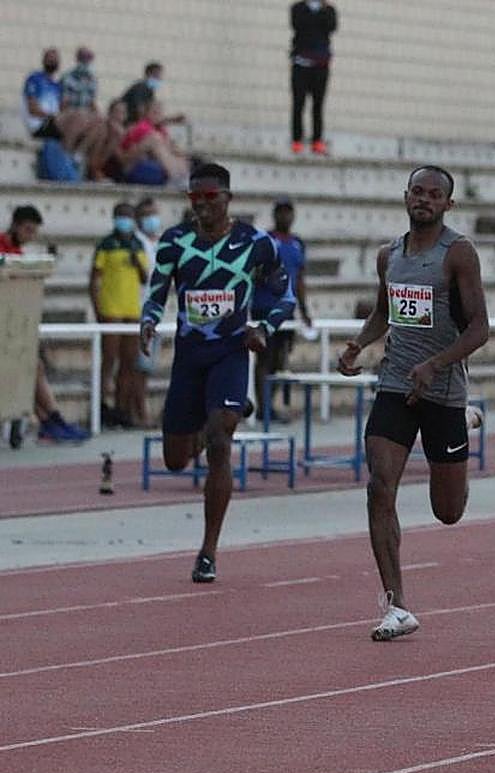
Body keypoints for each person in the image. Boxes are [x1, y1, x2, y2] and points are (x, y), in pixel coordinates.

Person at [337, 166, 489, 640]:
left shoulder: (458, 253)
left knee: (448, 511)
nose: (424, 200)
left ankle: (463, 419)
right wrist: (358, 345)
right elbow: (385, 312)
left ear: (448, 204)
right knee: (380, 486)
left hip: (442, 391)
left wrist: (437, 364)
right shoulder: (390, 256)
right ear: (405, 197)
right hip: (395, 387)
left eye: (434, 194)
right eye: (417, 192)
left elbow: (480, 328)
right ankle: (396, 605)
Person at [140, 163, 295, 583]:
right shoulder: (175, 241)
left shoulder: (255, 243)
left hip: (231, 353)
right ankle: (228, 410)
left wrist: (264, 327)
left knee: (220, 444)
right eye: (195, 199)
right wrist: (149, 320)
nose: (203, 207)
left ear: (227, 198)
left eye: (211, 198)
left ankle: (207, 551)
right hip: (190, 357)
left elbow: (286, 296)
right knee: (174, 460)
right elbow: (156, 291)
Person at [1, 206, 89, 442]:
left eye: (33, 232)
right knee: (31, 367)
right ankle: (50, 418)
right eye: (28, 230)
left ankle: (50, 419)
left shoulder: (17, 251)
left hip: (12, 323)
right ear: (16, 225)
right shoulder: (3, 248)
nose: (30, 236)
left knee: (33, 366)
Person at [90, 202, 150, 429]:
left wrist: (136, 260)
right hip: (111, 308)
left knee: (129, 362)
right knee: (108, 360)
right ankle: (100, 406)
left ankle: (121, 409)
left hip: (132, 309)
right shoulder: (106, 244)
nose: (124, 220)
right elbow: (94, 278)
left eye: (128, 216)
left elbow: (145, 278)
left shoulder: (138, 245)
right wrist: (97, 309)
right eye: (120, 216)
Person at [254, 198, 313, 422]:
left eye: (289, 212)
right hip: (265, 307)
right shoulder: (265, 239)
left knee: (281, 359)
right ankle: (264, 408)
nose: (285, 217)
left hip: (288, 309)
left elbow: (300, 278)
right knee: (265, 358)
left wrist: (304, 310)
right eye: (281, 212)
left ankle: (270, 403)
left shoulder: (298, 242)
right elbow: (255, 270)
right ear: (275, 215)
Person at [131, 197, 164, 425]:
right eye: (146, 214)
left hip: (157, 310)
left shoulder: (159, 242)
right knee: (138, 367)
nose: (152, 219)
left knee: (147, 367)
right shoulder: (136, 243)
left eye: (154, 213)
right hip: (139, 310)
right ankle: (138, 413)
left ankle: (139, 412)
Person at [290, 0, 337, 155]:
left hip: (320, 65)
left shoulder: (329, 10)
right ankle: (297, 139)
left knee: (318, 104)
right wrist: (314, 17)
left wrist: (321, 11)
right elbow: (298, 25)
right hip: (301, 63)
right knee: (298, 102)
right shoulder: (298, 8)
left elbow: (331, 27)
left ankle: (317, 140)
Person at [119, 100, 190, 185]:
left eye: (160, 112)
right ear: (146, 114)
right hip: (132, 169)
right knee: (155, 139)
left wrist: (179, 154)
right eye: (154, 112)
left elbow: (171, 149)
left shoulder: (160, 128)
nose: (158, 115)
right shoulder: (143, 126)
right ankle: (175, 179)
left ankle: (181, 179)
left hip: (150, 166)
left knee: (181, 158)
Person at [121, 63, 186, 125]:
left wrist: (171, 119)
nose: (159, 79)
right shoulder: (141, 88)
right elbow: (141, 113)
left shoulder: (149, 91)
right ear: (148, 74)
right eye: (157, 75)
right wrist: (170, 119)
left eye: (160, 76)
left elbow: (152, 116)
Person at [22, 48, 62, 140]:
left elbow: (61, 107)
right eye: (50, 58)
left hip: (51, 123)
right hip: (38, 125)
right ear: (43, 60)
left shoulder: (57, 85)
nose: (52, 61)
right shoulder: (34, 79)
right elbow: (32, 109)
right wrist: (53, 117)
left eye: (55, 59)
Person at [60, 47, 98, 113]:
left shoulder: (93, 80)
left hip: (85, 117)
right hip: (70, 115)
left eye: (88, 57)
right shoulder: (67, 77)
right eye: (82, 57)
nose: (85, 60)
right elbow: (64, 102)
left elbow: (92, 102)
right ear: (77, 58)